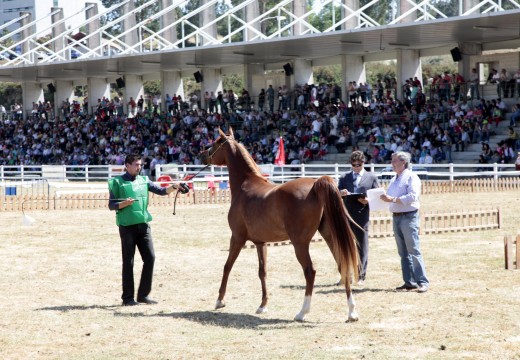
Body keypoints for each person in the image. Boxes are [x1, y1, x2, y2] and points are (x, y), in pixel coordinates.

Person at [108, 154, 187, 306]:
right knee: (128, 262)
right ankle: (128, 298)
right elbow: (111, 205)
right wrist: (123, 204)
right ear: (127, 165)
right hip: (127, 227)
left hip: (143, 226)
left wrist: (175, 186)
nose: (139, 167)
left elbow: (162, 191)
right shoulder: (117, 182)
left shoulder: (144, 180)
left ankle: (143, 295)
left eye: (140, 164)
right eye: (136, 165)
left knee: (150, 258)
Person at [380, 151, 429, 293]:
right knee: (403, 252)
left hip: (408, 216)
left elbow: (412, 196)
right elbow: (390, 197)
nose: (392, 163)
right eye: (392, 160)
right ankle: (409, 282)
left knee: (413, 250)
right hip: (397, 216)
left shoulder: (412, 177)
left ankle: (422, 282)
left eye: (394, 161)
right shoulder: (394, 179)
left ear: (403, 162)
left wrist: (393, 200)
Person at [338, 150, 380, 285]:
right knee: (345, 246)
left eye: (359, 164)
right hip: (347, 214)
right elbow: (337, 192)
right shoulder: (344, 177)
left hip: (362, 214)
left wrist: (368, 200)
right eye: (354, 164)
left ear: (363, 163)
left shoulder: (371, 177)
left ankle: (360, 276)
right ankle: (345, 275)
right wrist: (341, 193)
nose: (356, 167)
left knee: (362, 246)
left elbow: (377, 195)